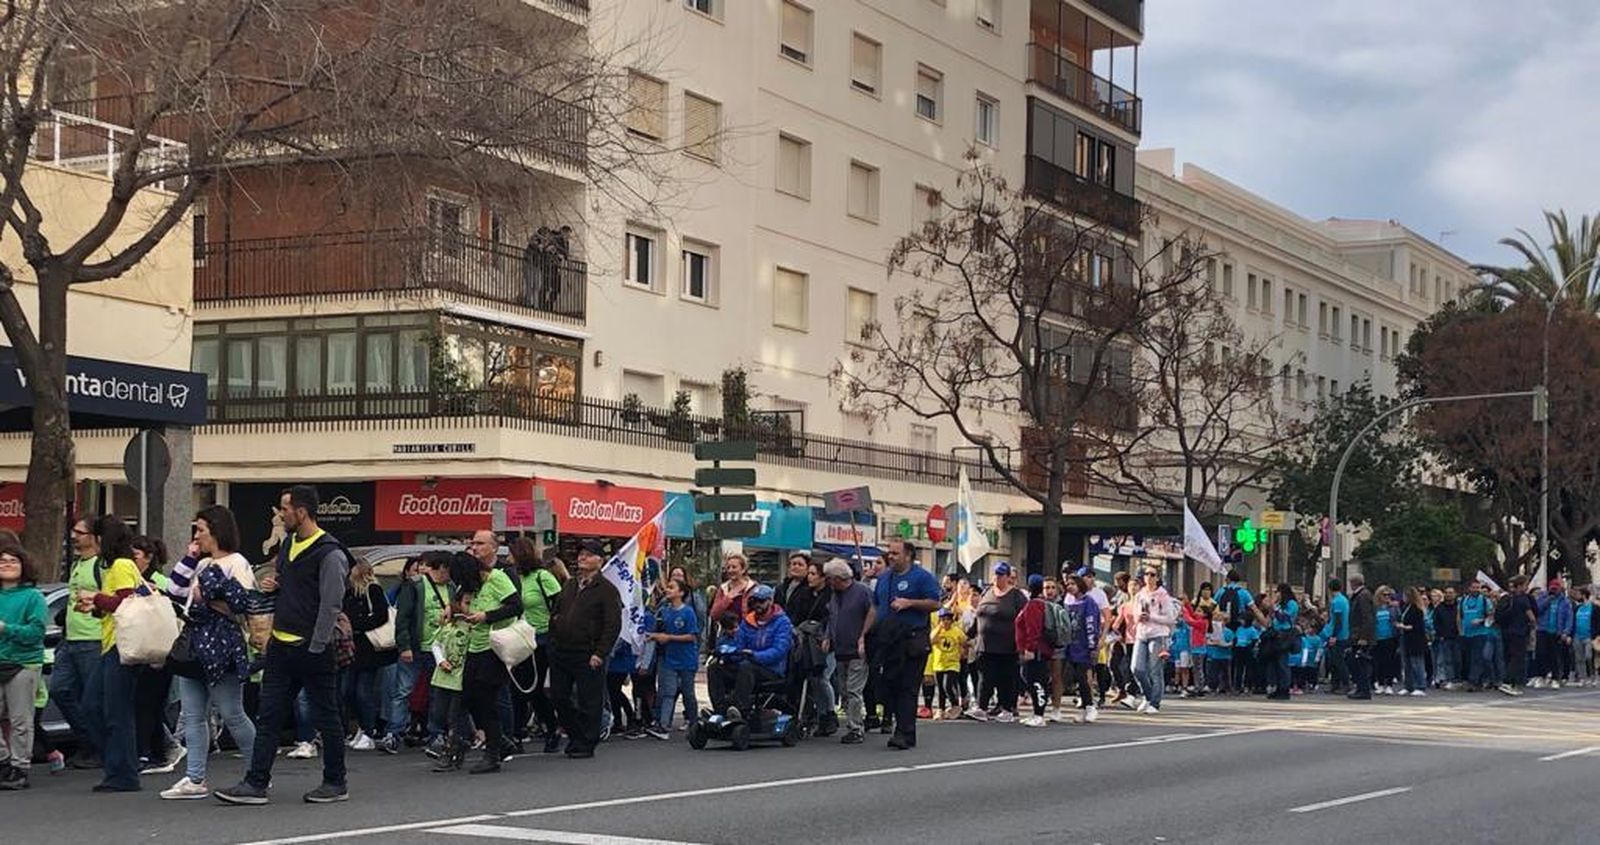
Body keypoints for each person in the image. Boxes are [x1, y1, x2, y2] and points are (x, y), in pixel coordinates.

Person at [216, 485, 353, 805]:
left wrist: (317, 644)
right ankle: (256, 783)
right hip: (281, 644)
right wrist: (273, 586)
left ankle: (336, 781)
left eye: (285, 509)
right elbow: (294, 589)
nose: (280, 514)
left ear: (302, 512)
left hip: (312, 647)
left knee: (326, 715)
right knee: (269, 715)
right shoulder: (289, 543)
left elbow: (331, 602)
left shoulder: (330, 552)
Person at [158, 506, 260, 800]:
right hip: (195, 642)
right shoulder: (201, 565)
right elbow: (175, 591)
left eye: (201, 529)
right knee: (193, 714)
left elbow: (242, 604)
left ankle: (257, 771)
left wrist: (210, 597)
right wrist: (190, 557)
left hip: (222, 644)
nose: (197, 536)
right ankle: (194, 777)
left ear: (216, 530)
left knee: (232, 713)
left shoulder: (236, 562)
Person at [76, 515, 142, 793]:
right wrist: (96, 607)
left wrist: (96, 599)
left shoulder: (122, 565)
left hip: (121, 646)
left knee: (115, 711)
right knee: (95, 706)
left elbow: (128, 601)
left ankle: (123, 772)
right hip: (110, 643)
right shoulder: (114, 567)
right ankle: (119, 766)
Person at [547, 540, 621, 760]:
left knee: (590, 700)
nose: (582, 558)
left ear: (600, 560)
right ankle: (575, 734)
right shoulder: (569, 585)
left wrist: (600, 652)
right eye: (581, 554)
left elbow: (612, 625)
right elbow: (556, 612)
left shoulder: (606, 590)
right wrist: (554, 636)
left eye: (588, 555)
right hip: (562, 650)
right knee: (559, 696)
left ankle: (586, 742)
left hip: (587, 653)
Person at [458, 534, 521, 774]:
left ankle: (493, 752)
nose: (474, 547)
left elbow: (516, 606)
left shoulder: (498, 577)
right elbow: (463, 602)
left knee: (487, 700)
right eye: (472, 543)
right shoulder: (473, 582)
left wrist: (487, 616)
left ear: (494, 548)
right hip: (474, 644)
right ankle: (501, 741)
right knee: (468, 697)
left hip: (494, 645)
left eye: (479, 544)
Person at [868, 539, 939, 750]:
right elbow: (875, 607)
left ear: (908, 555)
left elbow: (935, 603)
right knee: (888, 684)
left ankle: (904, 732)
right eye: (889, 553)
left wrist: (910, 603)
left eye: (895, 553)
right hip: (887, 640)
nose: (891, 556)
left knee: (907, 687)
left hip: (911, 640)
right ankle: (898, 726)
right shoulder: (884, 578)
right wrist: (864, 633)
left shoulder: (921, 577)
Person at [53, 517, 107, 771]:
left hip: (92, 639)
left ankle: (98, 748)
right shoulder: (77, 564)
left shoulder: (101, 565)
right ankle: (89, 740)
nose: (74, 536)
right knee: (60, 690)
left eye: (80, 532)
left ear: (94, 537)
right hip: (70, 638)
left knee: (92, 699)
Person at [128, 535, 183, 775]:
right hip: (142, 648)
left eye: (135, 556)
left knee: (148, 702)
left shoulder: (159, 581)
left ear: (149, 559)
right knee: (147, 703)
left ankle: (152, 752)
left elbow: (168, 615)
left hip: (159, 649)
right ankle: (159, 749)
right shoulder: (134, 579)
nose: (131, 561)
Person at [708, 583, 794, 734]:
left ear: (770, 601)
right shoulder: (748, 622)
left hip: (771, 670)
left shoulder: (782, 622)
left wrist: (754, 655)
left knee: (746, 666)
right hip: (747, 665)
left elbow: (779, 651)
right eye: (755, 601)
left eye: (761, 601)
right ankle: (721, 710)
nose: (758, 605)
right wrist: (725, 651)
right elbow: (738, 645)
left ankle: (741, 710)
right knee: (715, 668)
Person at [504, 540, 564, 753]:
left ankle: (549, 728)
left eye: (511, 554)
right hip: (518, 639)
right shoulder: (512, 578)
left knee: (532, 689)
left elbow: (560, 603)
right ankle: (518, 733)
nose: (508, 559)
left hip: (541, 639)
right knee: (519, 689)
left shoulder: (542, 577)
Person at [0, 541, 46, 790]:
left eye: (13, 561)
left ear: (23, 566)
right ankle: (3, 762)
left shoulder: (32, 597)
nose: (7, 565)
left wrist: (6, 628)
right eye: (2, 561)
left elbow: (36, 632)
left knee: (20, 719)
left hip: (23, 663)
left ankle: (20, 768)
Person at [384, 555, 437, 755]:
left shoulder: (446, 587)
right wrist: (404, 645)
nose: (422, 569)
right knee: (402, 691)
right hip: (414, 647)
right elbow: (403, 618)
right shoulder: (411, 587)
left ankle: (435, 734)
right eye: (418, 566)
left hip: (436, 648)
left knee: (436, 693)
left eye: (426, 565)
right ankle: (393, 733)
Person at [823, 558, 874, 744]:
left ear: (839, 578)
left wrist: (863, 636)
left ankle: (855, 728)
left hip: (857, 649)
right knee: (844, 690)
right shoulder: (835, 595)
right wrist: (828, 636)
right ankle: (853, 722)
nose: (829, 582)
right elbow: (832, 617)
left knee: (854, 690)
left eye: (831, 578)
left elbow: (873, 612)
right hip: (840, 649)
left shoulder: (862, 592)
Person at [967, 562, 1026, 723]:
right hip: (985, 645)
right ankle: (981, 708)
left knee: (1006, 678)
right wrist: (969, 635)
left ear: (1008, 577)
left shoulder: (1016, 596)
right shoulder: (987, 592)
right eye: (995, 574)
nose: (996, 578)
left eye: (1000, 575)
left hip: (1007, 646)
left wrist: (1024, 645)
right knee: (985, 677)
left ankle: (1007, 709)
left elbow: (1024, 620)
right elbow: (979, 616)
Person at [427, 586, 473, 773]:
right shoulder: (450, 625)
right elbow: (436, 644)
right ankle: (463, 739)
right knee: (439, 714)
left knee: (455, 716)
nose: (469, 607)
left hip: (460, 678)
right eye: (466, 603)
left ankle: (453, 749)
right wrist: (441, 660)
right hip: (443, 676)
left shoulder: (474, 628)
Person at [647, 577, 700, 740]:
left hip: (686, 658)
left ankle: (695, 724)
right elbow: (659, 631)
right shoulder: (664, 611)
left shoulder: (688, 612)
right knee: (668, 691)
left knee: (688, 693)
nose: (667, 590)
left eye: (672, 587)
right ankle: (663, 725)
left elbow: (692, 636)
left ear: (681, 592)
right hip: (670, 658)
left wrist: (669, 638)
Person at [1129, 568, 1177, 714]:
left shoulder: (1163, 595)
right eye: (1147, 574)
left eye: (1153, 575)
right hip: (1142, 634)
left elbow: (1170, 618)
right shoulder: (1140, 594)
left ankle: (1155, 703)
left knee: (1155, 670)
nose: (1149, 577)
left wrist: (1152, 617)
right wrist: (1139, 617)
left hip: (1158, 634)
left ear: (1157, 578)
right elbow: (1135, 612)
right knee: (1136, 668)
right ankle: (1148, 695)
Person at [1061, 575, 1101, 723]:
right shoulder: (1070, 602)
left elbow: (1091, 624)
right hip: (1072, 646)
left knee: (1083, 677)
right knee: (1076, 678)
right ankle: (1084, 708)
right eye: (1068, 584)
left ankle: (1090, 706)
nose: (1069, 586)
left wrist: (1092, 646)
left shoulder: (1088, 602)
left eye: (1073, 584)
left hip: (1084, 647)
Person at [1013, 574, 1052, 727]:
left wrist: (1030, 648)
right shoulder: (1039, 603)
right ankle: (1037, 712)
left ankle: (1039, 714)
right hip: (1038, 649)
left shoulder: (1034, 605)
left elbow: (1033, 629)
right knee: (1031, 678)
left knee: (1036, 681)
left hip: (1036, 651)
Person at [1496, 575, 1537, 695]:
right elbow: (1531, 616)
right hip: (1519, 632)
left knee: (1509, 657)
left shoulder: (1509, 597)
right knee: (1517, 658)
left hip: (1507, 631)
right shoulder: (1523, 599)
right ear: (1520, 585)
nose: (1527, 587)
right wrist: (1533, 625)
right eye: (1525, 585)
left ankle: (1511, 684)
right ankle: (1508, 682)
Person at [708, 553, 757, 646]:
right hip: (726, 635)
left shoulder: (753, 588)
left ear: (743, 569)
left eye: (734, 567)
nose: (730, 570)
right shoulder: (723, 588)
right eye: (728, 567)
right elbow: (714, 614)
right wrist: (727, 598)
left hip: (748, 634)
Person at [927, 608, 966, 720]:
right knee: (940, 689)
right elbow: (931, 640)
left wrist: (963, 651)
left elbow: (964, 642)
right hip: (939, 663)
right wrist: (939, 629)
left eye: (948, 619)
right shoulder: (937, 631)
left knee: (947, 685)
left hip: (952, 663)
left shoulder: (956, 631)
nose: (946, 622)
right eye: (943, 619)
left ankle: (955, 704)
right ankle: (941, 709)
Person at [1534, 578, 1573, 689]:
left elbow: (1569, 618)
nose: (1554, 591)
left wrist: (1566, 632)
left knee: (1555, 656)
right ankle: (1541, 676)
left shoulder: (1565, 602)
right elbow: (1537, 610)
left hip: (1556, 631)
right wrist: (1548, 599)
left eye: (1556, 589)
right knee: (1541, 654)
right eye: (1552, 589)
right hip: (1542, 629)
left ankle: (1556, 678)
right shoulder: (1542, 598)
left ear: (1560, 589)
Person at [1460, 578, 1494, 690]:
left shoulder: (1485, 601)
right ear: (1469, 588)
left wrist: (1480, 620)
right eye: (1473, 587)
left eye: (1478, 587)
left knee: (1477, 658)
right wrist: (1460, 630)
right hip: (1466, 634)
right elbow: (1460, 616)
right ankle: (1479, 681)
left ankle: (1473, 681)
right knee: (1469, 659)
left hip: (1480, 633)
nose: (1476, 589)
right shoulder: (1463, 600)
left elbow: (1491, 615)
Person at [1346, 574, 1376, 700]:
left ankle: (1363, 689)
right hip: (1357, 634)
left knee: (1360, 662)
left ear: (1354, 583)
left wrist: (1363, 637)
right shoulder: (1361, 595)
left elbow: (1367, 617)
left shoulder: (1363, 596)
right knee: (1355, 661)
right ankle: (1360, 687)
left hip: (1360, 635)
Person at [1398, 586, 1429, 696]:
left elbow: (1417, 626)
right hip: (1406, 638)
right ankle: (1408, 685)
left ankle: (1420, 685)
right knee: (1407, 664)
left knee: (1417, 663)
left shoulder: (1417, 608)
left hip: (1416, 639)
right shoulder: (1406, 607)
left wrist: (1405, 627)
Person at [1325, 578, 1351, 693]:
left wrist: (1334, 636)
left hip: (1339, 635)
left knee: (1338, 661)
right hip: (1343, 634)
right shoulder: (1344, 600)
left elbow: (1338, 620)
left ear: (1330, 588)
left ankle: (1345, 684)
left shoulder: (1337, 602)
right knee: (1334, 661)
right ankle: (1335, 685)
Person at [1433, 585, 1460, 690]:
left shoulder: (1459, 606)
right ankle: (1450, 680)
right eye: (1447, 592)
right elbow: (1436, 622)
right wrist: (1440, 634)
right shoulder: (1440, 607)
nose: (1449, 594)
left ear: (1455, 594)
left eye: (1451, 592)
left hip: (1458, 637)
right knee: (1447, 660)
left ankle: (1458, 679)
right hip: (1445, 637)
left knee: (1458, 660)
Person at [1572, 587, 1596, 687]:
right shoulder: (1577, 608)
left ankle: (1592, 676)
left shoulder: (1594, 607)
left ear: (1583, 595)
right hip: (1577, 635)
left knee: (1588, 656)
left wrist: (1597, 635)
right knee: (1579, 658)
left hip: (1589, 635)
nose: (1576, 596)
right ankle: (1582, 678)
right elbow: (1573, 621)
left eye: (1578, 594)